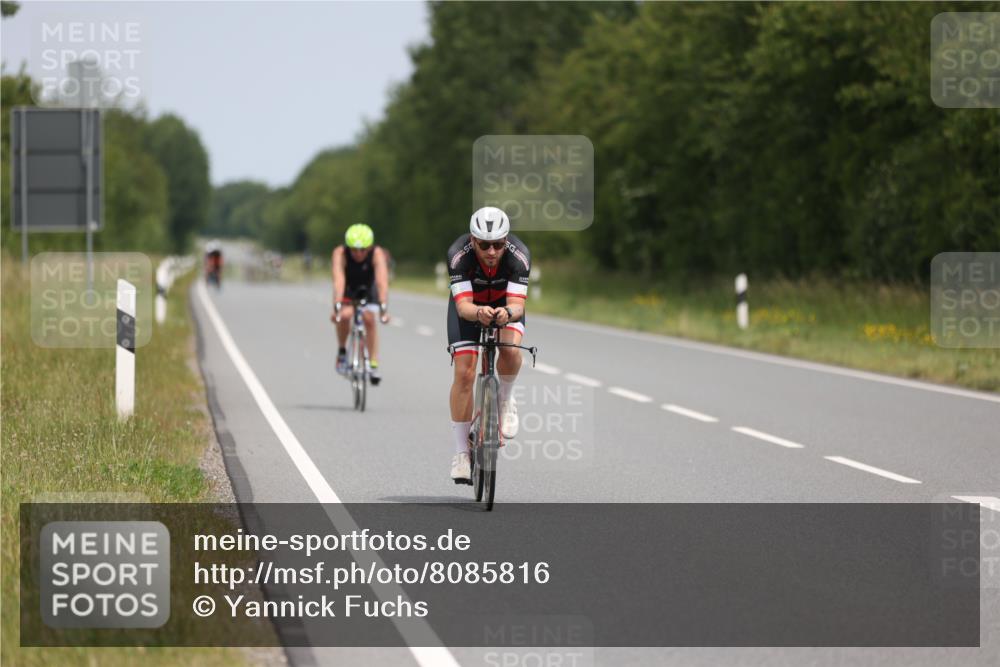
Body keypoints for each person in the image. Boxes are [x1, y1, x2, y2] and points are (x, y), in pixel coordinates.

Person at [446, 206, 530, 482]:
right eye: (484, 245)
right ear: (473, 240)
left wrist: (506, 313)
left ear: (506, 240)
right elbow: (463, 307)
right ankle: (461, 453)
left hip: (506, 306)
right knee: (464, 373)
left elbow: (517, 305)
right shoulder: (458, 255)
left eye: (498, 244)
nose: (492, 251)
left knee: (510, 350)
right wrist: (480, 312)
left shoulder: (519, 255)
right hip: (470, 308)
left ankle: (505, 400)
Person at [331, 224, 390, 384]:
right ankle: (342, 352)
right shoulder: (340, 253)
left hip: (368, 289)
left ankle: (373, 363)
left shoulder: (377, 253)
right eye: (354, 250)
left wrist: (383, 308)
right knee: (344, 316)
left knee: (369, 318)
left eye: (363, 250)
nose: (358, 254)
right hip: (348, 288)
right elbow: (339, 280)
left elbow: (382, 281)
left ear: (369, 247)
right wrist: (336, 306)